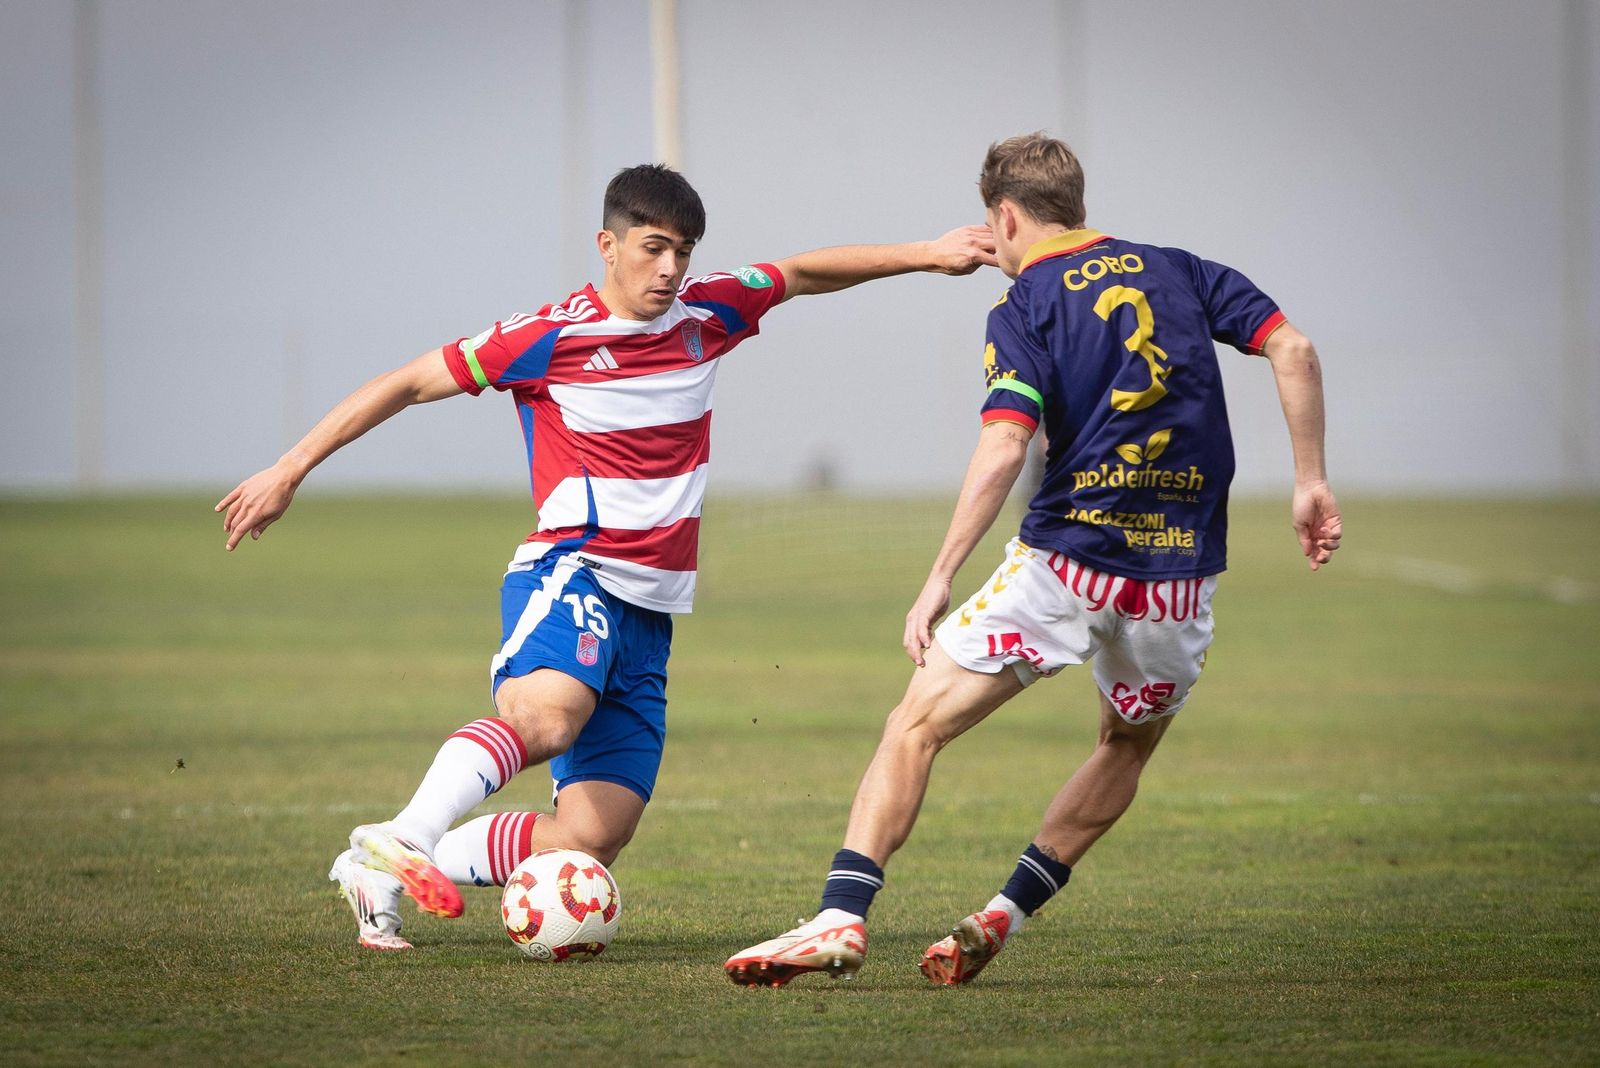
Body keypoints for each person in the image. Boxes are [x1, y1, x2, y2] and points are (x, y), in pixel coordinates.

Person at [216, 163, 996, 950]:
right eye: (654, 248)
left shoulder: (709, 312)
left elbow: (799, 272)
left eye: (683, 252)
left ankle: (380, 868)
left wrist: (925, 253)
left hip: (652, 612)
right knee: (546, 717)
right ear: (608, 244)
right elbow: (411, 382)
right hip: (573, 569)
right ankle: (410, 833)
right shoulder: (548, 337)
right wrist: (289, 468)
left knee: (591, 835)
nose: (670, 269)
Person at [725, 133, 1342, 987]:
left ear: (1005, 217)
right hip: (1179, 579)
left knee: (916, 724)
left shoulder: (1025, 304)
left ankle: (840, 917)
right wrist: (1309, 480)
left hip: (1067, 564)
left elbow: (1005, 444)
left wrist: (940, 572)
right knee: (1125, 745)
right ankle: (1000, 914)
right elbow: (1296, 349)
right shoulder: (1185, 270)